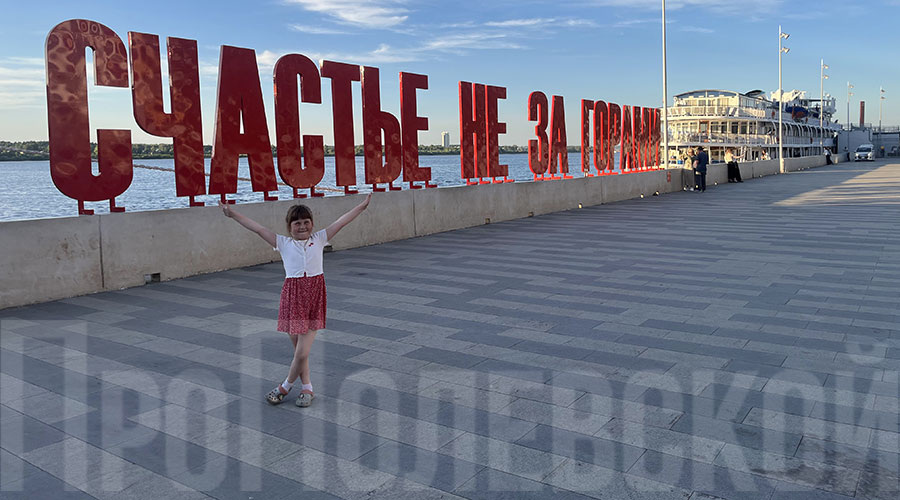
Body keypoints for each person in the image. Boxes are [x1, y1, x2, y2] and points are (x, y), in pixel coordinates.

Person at [220, 193, 372, 407]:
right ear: (289, 226)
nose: (302, 227)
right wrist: (232, 214)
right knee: (300, 353)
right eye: (297, 223)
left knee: (302, 352)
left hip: (313, 298)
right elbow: (257, 228)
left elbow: (341, 221)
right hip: (292, 299)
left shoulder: (319, 238)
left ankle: (284, 387)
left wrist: (362, 206)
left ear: (312, 224)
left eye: (306, 222)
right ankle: (307, 388)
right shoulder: (282, 243)